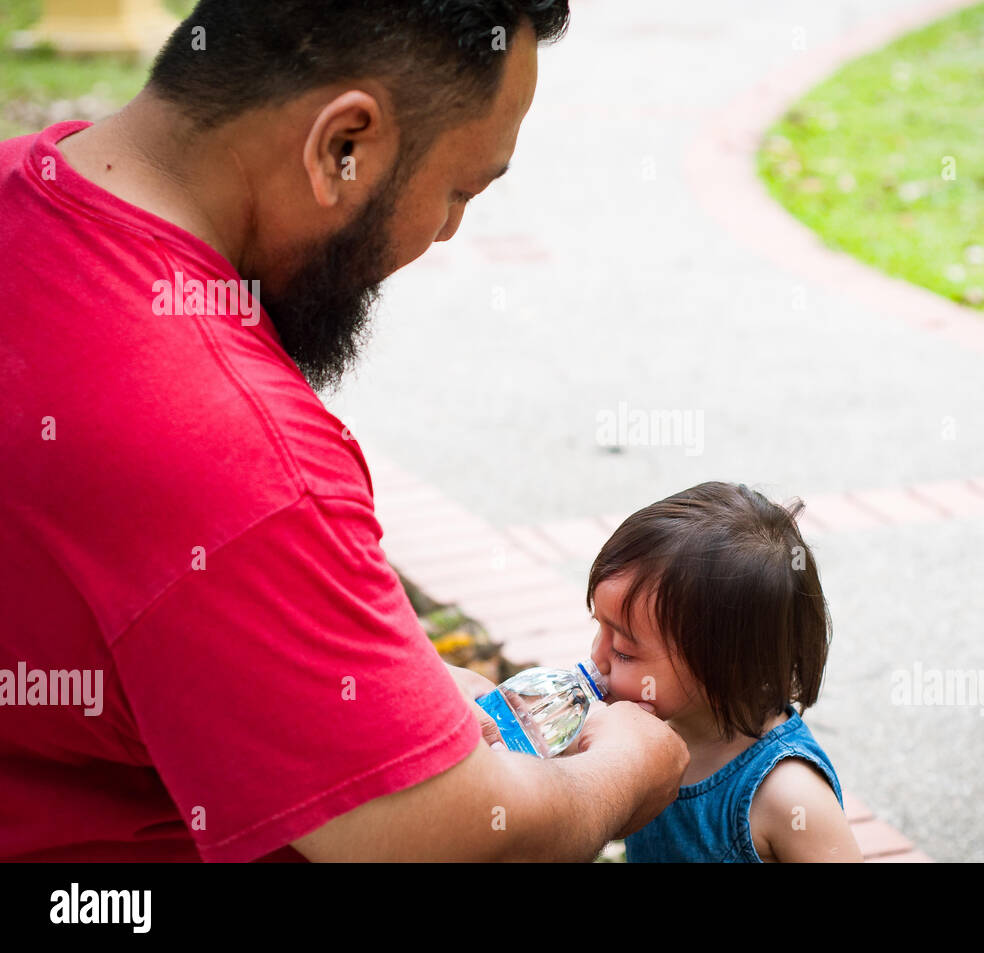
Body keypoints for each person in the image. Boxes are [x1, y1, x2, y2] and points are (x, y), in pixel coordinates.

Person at [0, 0, 687, 863]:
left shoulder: (29, 186)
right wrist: (622, 772)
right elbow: (449, 839)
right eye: (458, 189)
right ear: (343, 145)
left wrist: (386, 694)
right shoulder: (235, 451)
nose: (445, 231)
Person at [587, 482, 862, 862]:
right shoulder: (653, 727)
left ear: (723, 665)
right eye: (598, 626)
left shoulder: (787, 794)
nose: (596, 657)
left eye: (623, 651)